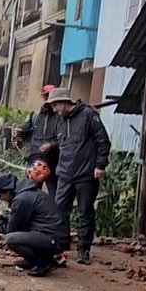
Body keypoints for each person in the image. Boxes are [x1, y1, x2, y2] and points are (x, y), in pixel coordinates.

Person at [45, 88, 111, 265]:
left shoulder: (88, 115)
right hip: (64, 174)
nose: (54, 110)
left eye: (55, 105)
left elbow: (102, 140)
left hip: (85, 174)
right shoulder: (60, 121)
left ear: (64, 102)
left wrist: (100, 165)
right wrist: (50, 147)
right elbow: (61, 142)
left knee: (85, 212)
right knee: (59, 211)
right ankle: (60, 247)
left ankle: (83, 250)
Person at [0, 173, 69, 277]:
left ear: (7, 191)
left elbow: (12, 229)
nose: (1, 199)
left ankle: (41, 263)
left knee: (11, 239)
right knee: (16, 236)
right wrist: (0, 219)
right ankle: (39, 259)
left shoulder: (22, 199)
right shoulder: (27, 194)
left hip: (53, 239)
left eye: (0, 195)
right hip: (51, 236)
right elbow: (18, 221)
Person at [15, 84, 61, 208]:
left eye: (51, 97)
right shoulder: (35, 116)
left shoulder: (61, 117)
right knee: (30, 193)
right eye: (46, 97)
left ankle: (52, 220)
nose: (48, 101)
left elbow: (64, 139)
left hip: (52, 162)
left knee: (55, 196)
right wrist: (19, 133)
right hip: (35, 161)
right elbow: (25, 132)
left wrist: (51, 145)